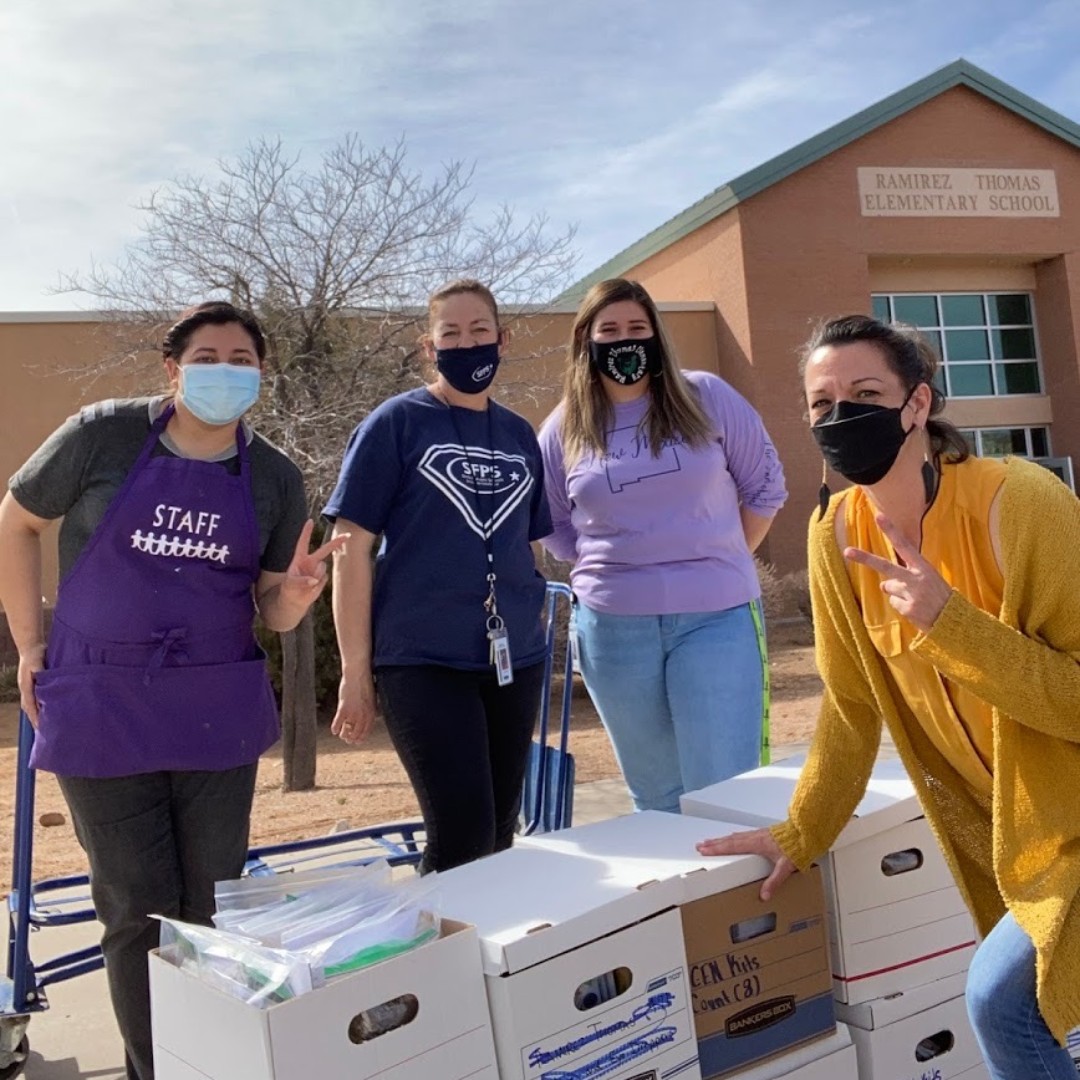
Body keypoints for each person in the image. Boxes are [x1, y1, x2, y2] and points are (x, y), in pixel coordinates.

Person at [697, 314, 1080, 1080]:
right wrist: (802, 831)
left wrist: (952, 625)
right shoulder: (835, 537)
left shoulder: (1020, 503)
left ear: (918, 403)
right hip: (1022, 842)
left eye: (866, 395)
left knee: (1002, 1001)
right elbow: (850, 708)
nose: (841, 415)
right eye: (822, 402)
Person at [0, 301, 344, 1080]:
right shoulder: (102, 435)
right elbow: (16, 522)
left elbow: (271, 607)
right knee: (136, 910)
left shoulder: (274, 478)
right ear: (172, 368)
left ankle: (213, 1063)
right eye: (206, 357)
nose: (224, 372)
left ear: (261, 373)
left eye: (241, 360)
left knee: (211, 908)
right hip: (99, 701)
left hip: (214, 709)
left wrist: (297, 596)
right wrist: (28, 644)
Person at [325, 279, 552, 874]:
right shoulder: (395, 423)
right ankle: (436, 936)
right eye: (450, 333)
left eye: (479, 330)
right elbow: (350, 549)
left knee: (498, 835)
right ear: (429, 347)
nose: (466, 344)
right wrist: (355, 672)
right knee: (462, 839)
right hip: (423, 660)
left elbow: (525, 540)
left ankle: (490, 937)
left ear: (503, 339)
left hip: (514, 660)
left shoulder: (518, 434)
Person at [538, 278, 787, 814]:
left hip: (716, 619)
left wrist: (720, 556)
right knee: (656, 798)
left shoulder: (707, 397)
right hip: (613, 629)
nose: (625, 340)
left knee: (725, 791)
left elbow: (765, 487)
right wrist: (611, 566)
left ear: (657, 334)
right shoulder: (564, 426)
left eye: (637, 327)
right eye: (609, 331)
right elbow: (551, 520)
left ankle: (737, 876)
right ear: (586, 341)